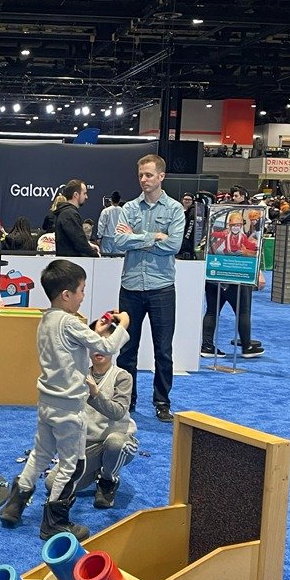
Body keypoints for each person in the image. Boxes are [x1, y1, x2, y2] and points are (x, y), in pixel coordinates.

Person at [0, 259, 129, 541]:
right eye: (81, 291)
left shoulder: (47, 319)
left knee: (40, 454)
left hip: (47, 402)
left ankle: (14, 505)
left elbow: (73, 344)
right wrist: (123, 326)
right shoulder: (70, 322)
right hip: (69, 408)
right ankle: (55, 522)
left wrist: (97, 330)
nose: (83, 296)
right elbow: (108, 346)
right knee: (73, 464)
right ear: (67, 294)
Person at [111, 154, 185, 424]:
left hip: (161, 287)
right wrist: (153, 236)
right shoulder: (129, 207)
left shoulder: (175, 209)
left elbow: (174, 245)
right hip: (130, 286)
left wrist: (135, 237)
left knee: (163, 350)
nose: (144, 179)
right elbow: (118, 241)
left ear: (161, 176)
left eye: (149, 175)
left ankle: (162, 402)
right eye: (141, 175)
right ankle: (125, 400)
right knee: (127, 349)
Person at [46, 343, 139, 510]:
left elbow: (118, 412)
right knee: (51, 484)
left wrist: (95, 393)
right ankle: (96, 470)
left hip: (120, 441)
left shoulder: (123, 376)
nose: (99, 350)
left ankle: (108, 480)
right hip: (87, 445)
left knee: (116, 443)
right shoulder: (78, 376)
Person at [201, 272, 266, 359]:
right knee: (243, 312)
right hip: (236, 275)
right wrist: (259, 273)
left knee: (211, 312)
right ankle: (247, 347)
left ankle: (207, 346)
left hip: (214, 276)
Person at [54, 179, 99, 257]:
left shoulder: (67, 213)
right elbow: (79, 241)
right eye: (84, 193)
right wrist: (94, 254)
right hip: (70, 262)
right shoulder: (69, 214)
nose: (86, 197)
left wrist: (89, 245)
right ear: (75, 195)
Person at [96, 191, 123, 256]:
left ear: (111, 200)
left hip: (107, 238)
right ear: (119, 200)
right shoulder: (123, 211)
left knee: (106, 257)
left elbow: (101, 225)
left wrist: (99, 237)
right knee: (119, 258)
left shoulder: (106, 211)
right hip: (118, 238)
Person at [178, 193, 198, 260]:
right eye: (185, 199)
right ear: (182, 200)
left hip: (187, 238)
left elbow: (190, 227)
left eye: (189, 200)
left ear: (192, 201)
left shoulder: (193, 211)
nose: (187, 201)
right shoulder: (178, 209)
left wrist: (186, 239)